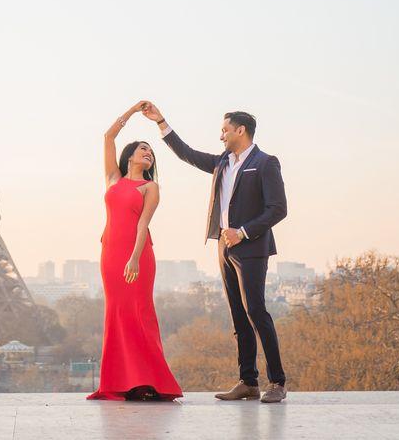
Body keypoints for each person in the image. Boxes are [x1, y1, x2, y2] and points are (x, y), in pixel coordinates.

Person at [141, 103, 287, 403]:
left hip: (250, 247)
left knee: (256, 312)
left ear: (240, 130)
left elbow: (278, 209)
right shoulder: (223, 162)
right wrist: (162, 123)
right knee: (238, 316)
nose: (221, 136)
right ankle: (248, 382)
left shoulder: (265, 163)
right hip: (224, 247)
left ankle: (277, 382)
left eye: (224, 130)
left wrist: (243, 231)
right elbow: (188, 154)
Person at [87, 101, 182, 402]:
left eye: (151, 151)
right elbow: (107, 138)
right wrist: (130, 112)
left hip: (137, 257)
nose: (148, 152)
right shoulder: (113, 179)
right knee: (116, 315)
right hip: (110, 256)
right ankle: (120, 383)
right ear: (130, 155)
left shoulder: (150, 188)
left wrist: (134, 259)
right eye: (143, 148)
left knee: (139, 314)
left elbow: (143, 225)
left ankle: (147, 382)